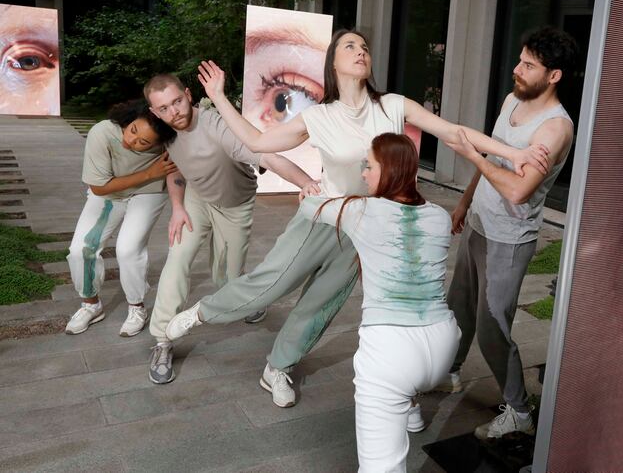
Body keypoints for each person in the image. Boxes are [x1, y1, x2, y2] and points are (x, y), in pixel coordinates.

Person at [163, 29, 548, 407]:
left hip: (370, 226)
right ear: (333, 62)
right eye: (349, 46)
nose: (360, 51)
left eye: (364, 46)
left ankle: (276, 368)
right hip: (324, 216)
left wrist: (512, 155)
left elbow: (455, 132)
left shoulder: (393, 106)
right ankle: (201, 312)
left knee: (321, 304)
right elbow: (259, 143)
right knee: (270, 285)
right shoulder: (319, 116)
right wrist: (217, 97)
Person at [437, 27, 577, 440]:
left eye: (529, 65)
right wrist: (464, 203)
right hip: (479, 223)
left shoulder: (555, 130)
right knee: (458, 305)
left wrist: (473, 156)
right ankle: (449, 372)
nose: (517, 69)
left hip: (509, 239)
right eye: (519, 59)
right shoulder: (512, 100)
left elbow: (517, 189)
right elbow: (497, 156)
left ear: (553, 76)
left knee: (493, 326)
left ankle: (518, 409)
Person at [143, 74, 318, 384]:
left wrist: (305, 182)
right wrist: (178, 207)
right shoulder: (164, 131)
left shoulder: (216, 125)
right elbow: (175, 171)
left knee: (227, 278)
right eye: (164, 108)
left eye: (177, 102)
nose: (174, 113)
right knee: (178, 257)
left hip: (235, 205)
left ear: (188, 95)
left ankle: (248, 299)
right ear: (154, 112)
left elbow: (269, 157)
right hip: (197, 201)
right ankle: (162, 340)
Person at [306, 133, 459, 472]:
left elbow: (309, 208)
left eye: (368, 166)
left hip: (392, 353)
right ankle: (411, 411)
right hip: (444, 342)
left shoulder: (360, 211)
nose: (363, 174)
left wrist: (308, 189)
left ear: (388, 169)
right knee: (405, 386)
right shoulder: (440, 217)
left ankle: (406, 403)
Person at [66, 100, 177, 336]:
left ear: (158, 145)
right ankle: (91, 305)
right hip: (109, 192)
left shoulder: (170, 142)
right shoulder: (103, 132)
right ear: (130, 119)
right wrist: (149, 172)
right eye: (133, 130)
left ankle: (137, 307)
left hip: (148, 193)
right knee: (81, 249)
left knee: (127, 249)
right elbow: (98, 187)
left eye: (143, 143)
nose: (131, 140)